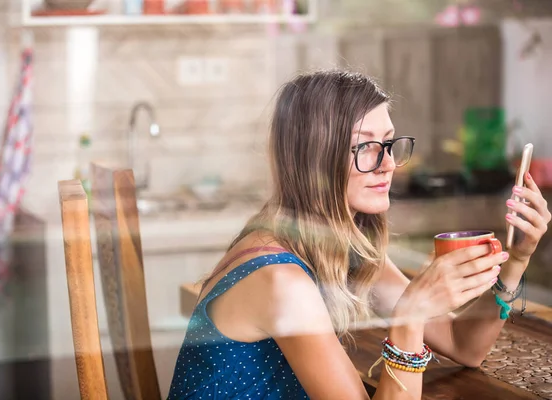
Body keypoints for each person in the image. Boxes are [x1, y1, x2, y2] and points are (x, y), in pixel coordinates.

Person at [167, 70, 551, 399]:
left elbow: (462, 346)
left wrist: (515, 261)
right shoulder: (280, 280)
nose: (387, 165)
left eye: (388, 144)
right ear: (317, 158)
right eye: (366, 147)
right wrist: (410, 315)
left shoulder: (340, 247)